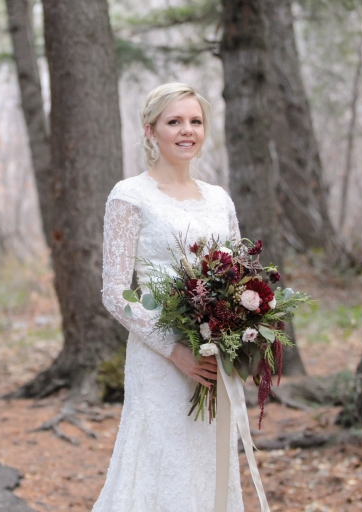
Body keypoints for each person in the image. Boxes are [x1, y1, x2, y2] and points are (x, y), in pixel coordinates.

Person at [93, 83, 244, 512]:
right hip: (160, 359)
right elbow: (115, 293)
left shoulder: (219, 199)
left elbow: (240, 277)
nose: (187, 130)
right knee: (162, 464)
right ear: (150, 130)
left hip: (215, 359)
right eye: (174, 121)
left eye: (195, 121)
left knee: (209, 466)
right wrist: (175, 350)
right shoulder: (129, 196)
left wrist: (235, 335)